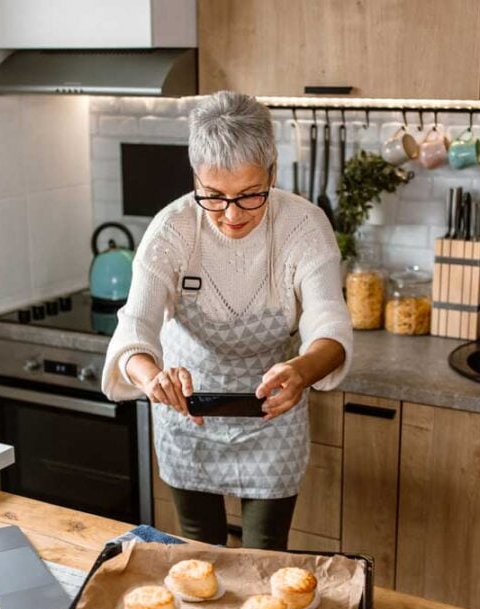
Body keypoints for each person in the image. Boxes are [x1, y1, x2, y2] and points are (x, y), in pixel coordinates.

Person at [102, 91, 352, 550]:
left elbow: (330, 329)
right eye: (213, 196)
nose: (232, 214)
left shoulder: (304, 227)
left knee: (265, 554)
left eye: (249, 196)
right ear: (195, 175)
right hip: (188, 412)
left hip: (273, 411)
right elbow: (134, 328)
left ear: (272, 175)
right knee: (199, 554)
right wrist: (154, 378)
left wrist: (300, 371)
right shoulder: (171, 228)